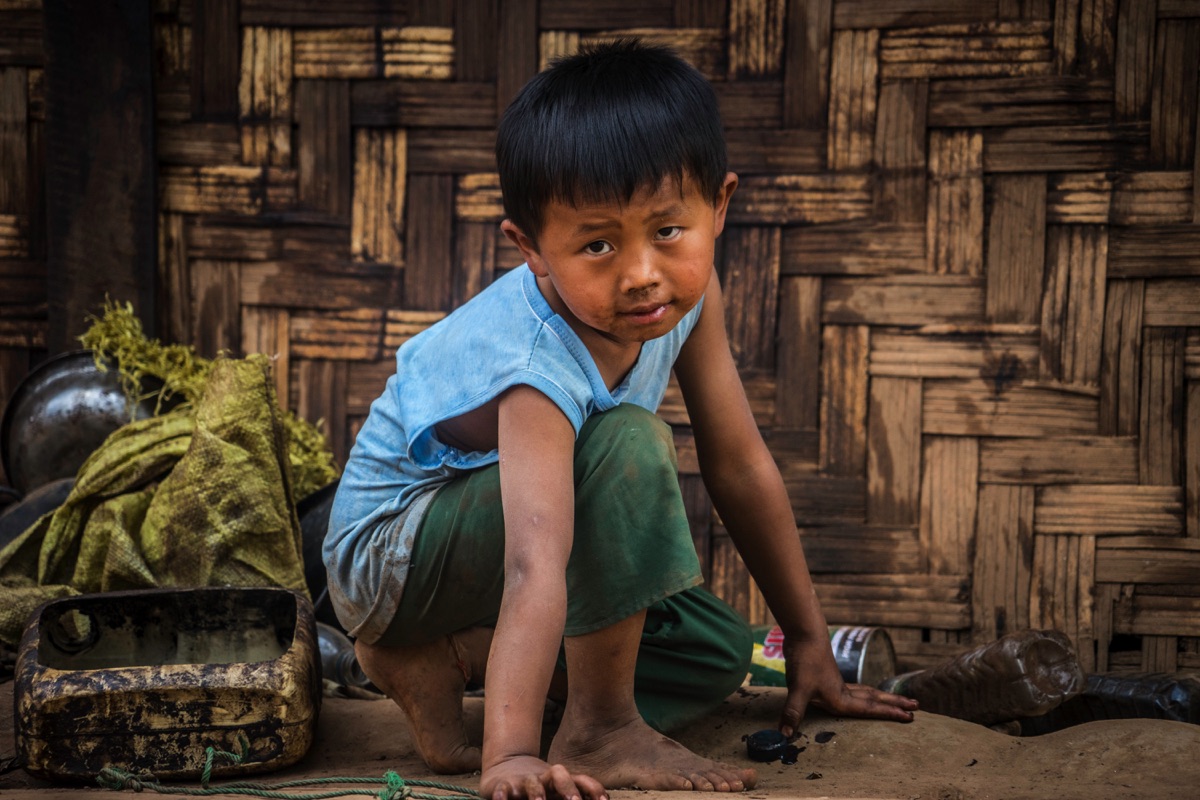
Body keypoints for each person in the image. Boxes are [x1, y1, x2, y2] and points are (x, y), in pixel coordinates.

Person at [323, 38, 917, 800]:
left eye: (668, 231)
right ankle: (596, 729)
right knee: (631, 444)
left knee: (715, 648)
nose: (642, 274)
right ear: (531, 248)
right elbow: (536, 561)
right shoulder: (536, 364)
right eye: (597, 244)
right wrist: (506, 759)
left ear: (719, 206)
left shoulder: (687, 301)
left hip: (488, 545)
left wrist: (808, 642)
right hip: (393, 557)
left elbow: (738, 464)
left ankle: (444, 664)